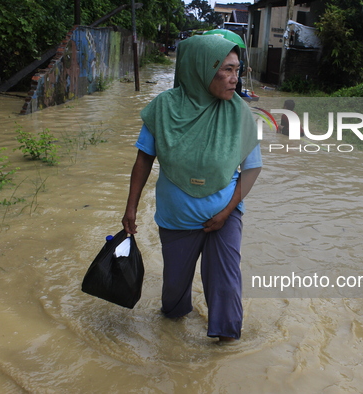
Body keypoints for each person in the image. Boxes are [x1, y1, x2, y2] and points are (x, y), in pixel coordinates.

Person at [122, 35, 262, 342]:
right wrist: (131, 206)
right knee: (173, 295)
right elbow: (144, 159)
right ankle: (171, 342)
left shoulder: (238, 112)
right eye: (226, 70)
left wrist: (226, 213)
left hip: (224, 215)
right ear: (202, 69)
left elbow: (251, 168)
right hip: (177, 217)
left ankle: (226, 348)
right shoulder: (163, 109)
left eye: (237, 70)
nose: (234, 79)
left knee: (225, 284)